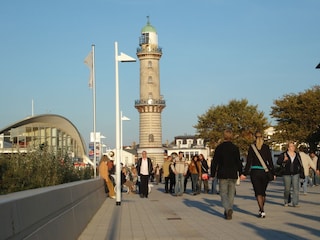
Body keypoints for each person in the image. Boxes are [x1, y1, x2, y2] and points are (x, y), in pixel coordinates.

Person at [240, 131, 275, 218]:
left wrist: (244, 173)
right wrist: (273, 173)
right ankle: (262, 209)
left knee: (258, 192)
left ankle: (261, 210)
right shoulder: (266, 147)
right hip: (265, 172)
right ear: (262, 137)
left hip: (255, 172)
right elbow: (270, 161)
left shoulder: (252, 147)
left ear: (254, 137)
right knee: (263, 192)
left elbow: (249, 162)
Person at [210, 129, 242, 220]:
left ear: (224, 136)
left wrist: (212, 174)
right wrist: (241, 172)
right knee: (231, 193)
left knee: (223, 193)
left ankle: (227, 209)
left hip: (222, 173)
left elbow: (214, 162)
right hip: (233, 174)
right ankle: (229, 209)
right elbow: (238, 161)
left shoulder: (219, 148)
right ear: (231, 136)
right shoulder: (235, 148)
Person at [277, 141, 304, 207]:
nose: (293, 147)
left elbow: (300, 164)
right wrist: (284, 160)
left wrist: (301, 172)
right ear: (288, 148)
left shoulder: (297, 155)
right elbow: (278, 162)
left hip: (295, 173)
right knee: (287, 189)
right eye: (291, 146)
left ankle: (295, 203)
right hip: (286, 173)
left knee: (296, 189)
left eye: (293, 146)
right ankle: (286, 201)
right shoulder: (284, 154)